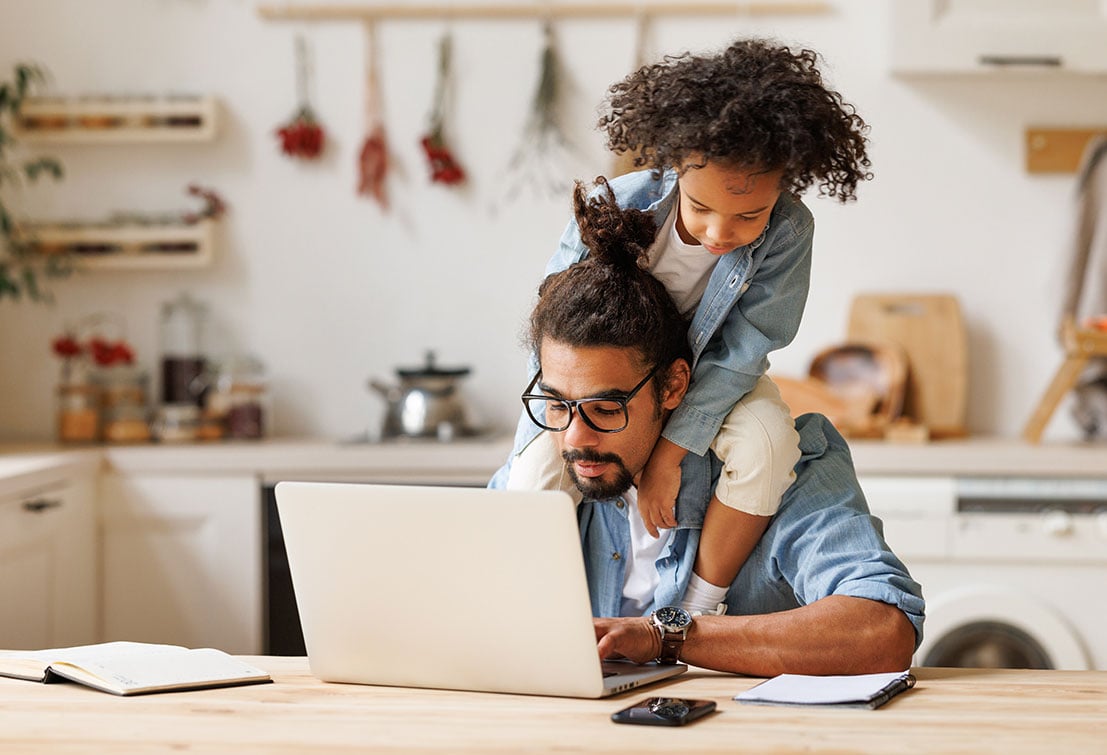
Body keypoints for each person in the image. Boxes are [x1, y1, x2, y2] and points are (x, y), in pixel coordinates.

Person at [500, 37, 873, 616]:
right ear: (676, 166)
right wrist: (552, 426)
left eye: (749, 215)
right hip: (613, 380)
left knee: (769, 445)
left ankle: (697, 606)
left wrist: (673, 450)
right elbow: (554, 323)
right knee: (529, 482)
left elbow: (746, 348)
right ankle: (534, 618)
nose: (720, 233)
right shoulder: (622, 203)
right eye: (700, 207)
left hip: (715, 377)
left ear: (785, 183)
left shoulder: (791, 233)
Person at [490, 179, 922, 677]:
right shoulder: (546, 473)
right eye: (558, 405)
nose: (574, 439)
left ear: (674, 386)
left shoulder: (791, 471)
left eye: (606, 411)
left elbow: (883, 631)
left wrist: (668, 635)